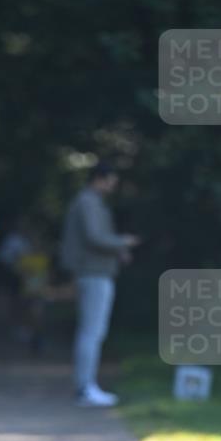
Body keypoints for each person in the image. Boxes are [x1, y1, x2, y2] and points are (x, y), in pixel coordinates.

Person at [61, 162, 140, 407]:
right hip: (93, 274)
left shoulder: (89, 201)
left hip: (95, 272)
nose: (112, 186)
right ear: (100, 179)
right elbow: (95, 237)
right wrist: (123, 242)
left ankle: (87, 386)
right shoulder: (88, 202)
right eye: (110, 181)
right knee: (91, 332)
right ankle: (85, 388)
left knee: (93, 331)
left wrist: (117, 251)